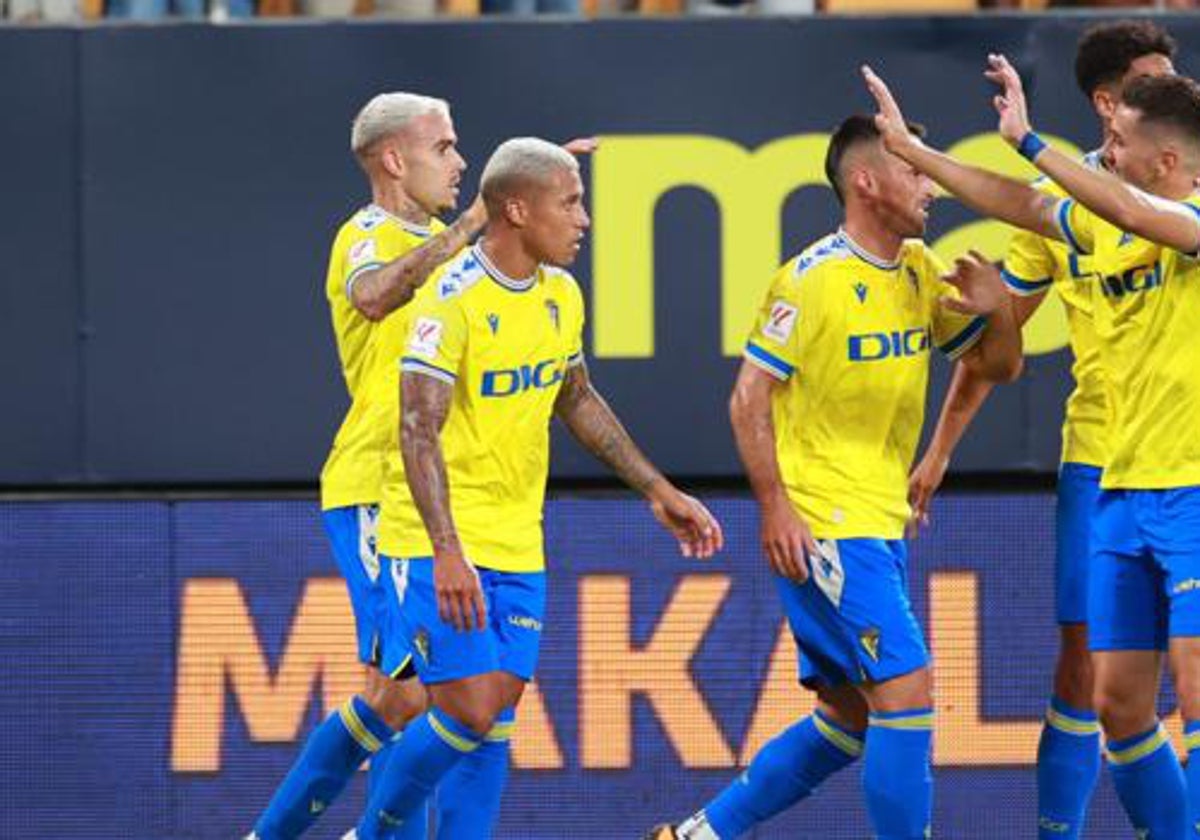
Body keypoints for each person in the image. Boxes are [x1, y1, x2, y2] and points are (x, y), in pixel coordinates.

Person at [645, 114, 1023, 840]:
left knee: (849, 717)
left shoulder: (917, 271)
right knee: (908, 689)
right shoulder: (810, 278)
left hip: (875, 520)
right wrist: (776, 507)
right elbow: (747, 396)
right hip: (825, 522)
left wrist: (999, 309)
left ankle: (695, 835)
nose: (931, 183)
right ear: (867, 181)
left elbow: (996, 366)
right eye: (912, 168)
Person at [343, 137, 723, 840]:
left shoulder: (560, 294)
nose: (585, 219)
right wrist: (447, 549)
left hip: (519, 541)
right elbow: (416, 430)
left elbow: (575, 397)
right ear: (517, 208)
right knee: (468, 711)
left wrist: (656, 488)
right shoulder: (449, 298)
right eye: (571, 202)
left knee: (496, 716)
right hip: (436, 539)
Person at [864, 56, 1200, 838]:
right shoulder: (1101, 222)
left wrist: (1028, 139)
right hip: (1122, 492)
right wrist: (917, 156)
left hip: (1194, 491)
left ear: (1169, 162)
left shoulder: (1187, 223)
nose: (1105, 154)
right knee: (1117, 704)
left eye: (1117, 144)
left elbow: (1138, 213)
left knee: (1195, 686)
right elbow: (1021, 203)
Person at [249, 91, 488, 840]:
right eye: (444, 146)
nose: (460, 161)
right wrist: (481, 221)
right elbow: (378, 294)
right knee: (408, 694)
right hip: (375, 486)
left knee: (436, 695)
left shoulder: (453, 244)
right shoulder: (365, 235)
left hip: (438, 497)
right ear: (393, 158)